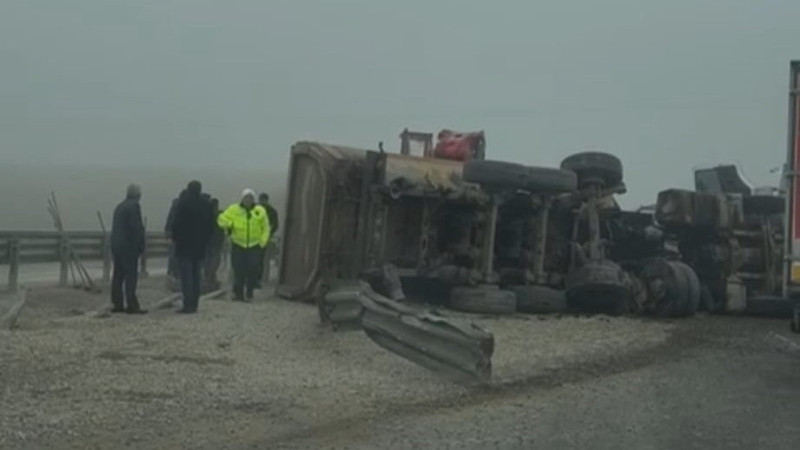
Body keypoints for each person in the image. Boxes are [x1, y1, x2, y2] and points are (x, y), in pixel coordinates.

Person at [218, 189, 270, 301]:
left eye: (250, 198)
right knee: (238, 269)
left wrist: (262, 242)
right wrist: (230, 224)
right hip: (238, 244)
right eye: (246, 198)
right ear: (242, 198)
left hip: (254, 245)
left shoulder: (260, 211)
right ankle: (238, 293)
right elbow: (221, 219)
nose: (248, 200)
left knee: (253, 269)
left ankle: (249, 291)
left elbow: (266, 227)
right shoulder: (234, 209)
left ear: (254, 199)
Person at [171, 181, 214, 313]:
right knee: (196, 276)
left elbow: (175, 224)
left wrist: (176, 238)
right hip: (199, 246)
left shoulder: (182, 204)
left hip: (184, 245)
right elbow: (211, 226)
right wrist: (205, 240)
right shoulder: (206, 205)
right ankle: (195, 304)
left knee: (186, 277)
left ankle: (187, 304)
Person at [110, 184, 147, 314]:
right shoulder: (134, 207)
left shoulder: (119, 207)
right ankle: (132, 305)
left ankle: (117, 303)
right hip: (129, 247)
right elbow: (135, 229)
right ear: (138, 195)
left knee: (118, 275)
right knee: (131, 276)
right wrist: (140, 246)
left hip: (116, 245)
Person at [257, 193, 280, 287]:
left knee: (261, 259)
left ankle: (258, 279)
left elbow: (275, 225)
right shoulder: (271, 211)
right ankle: (258, 279)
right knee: (260, 259)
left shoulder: (255, 209)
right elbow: (275, 225)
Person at [203, 197, 225, 290]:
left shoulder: (205, 214)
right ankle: (211, 277)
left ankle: (208, 276)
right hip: (217, 241)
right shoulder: (220, 214)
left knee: (207, 260)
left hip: (207, 241)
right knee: (215, 261)